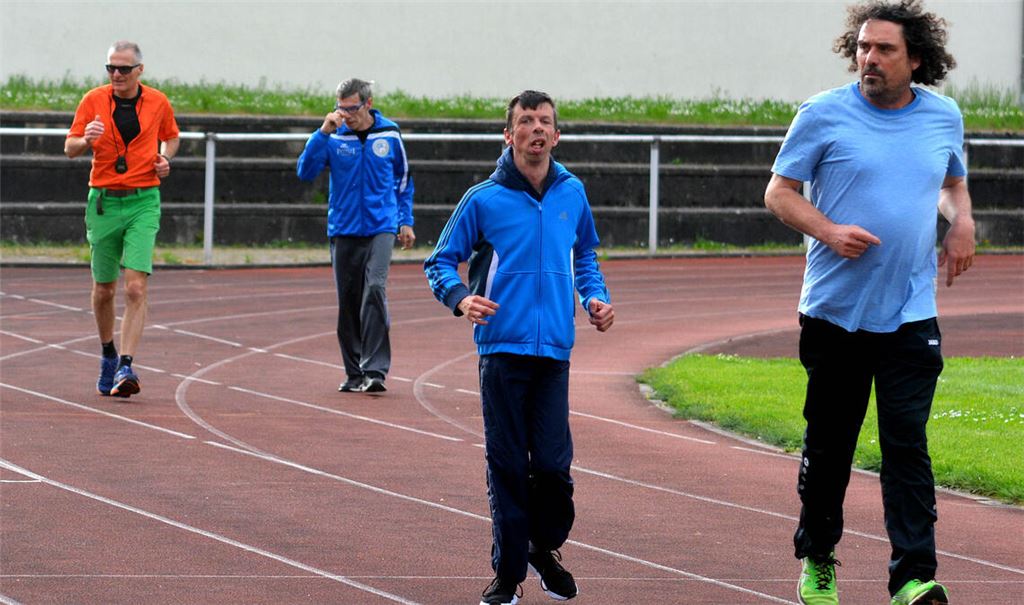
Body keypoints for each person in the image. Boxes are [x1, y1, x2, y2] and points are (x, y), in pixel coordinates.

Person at [764, 2, 975, 604]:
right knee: (830, 445)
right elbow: (779, 193)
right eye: (862, 47)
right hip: (835, 314)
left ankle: (912, 575)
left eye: (884, 50)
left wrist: (962, 222)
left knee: (907, 442)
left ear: (916, 59)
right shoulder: (823, 114)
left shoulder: (942, 117)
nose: (869, 59)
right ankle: (819, 559)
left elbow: (951, 182)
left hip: (910, 314)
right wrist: (828, 231)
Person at [425, 90, 614, 605]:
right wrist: (462, 300)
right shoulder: (483, 198)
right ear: (508, 136)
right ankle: (507, 577)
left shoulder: (572, 193)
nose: (536, 129)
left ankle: (542, 545)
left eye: (544, 122)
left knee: (553, 467)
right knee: (508, 464)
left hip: (554, 351)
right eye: (525, 121)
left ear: (556, 135)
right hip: (501, 352)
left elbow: (586, 259)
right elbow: (440, 262)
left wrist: (595, 298)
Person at [65, 40, 180, 399]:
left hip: (143, 200)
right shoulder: (92, 100)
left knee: (135, 287)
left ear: (139, 71)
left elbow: (172, 138)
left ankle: (127, 364)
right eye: (111, 68)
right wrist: (86, 139)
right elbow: (69, 148)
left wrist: (164, 159)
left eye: (123, 69)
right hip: (103, 202)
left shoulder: (158, 101)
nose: (116, 74)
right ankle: (107, 354)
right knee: (104, 290)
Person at [297, 78, 415, 394]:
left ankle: (375, 370)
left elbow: (403, 180)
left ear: (368, 103)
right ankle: (353, 372)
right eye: (340, 108)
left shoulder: (389, 133)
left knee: (374, 289)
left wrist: (405, 220)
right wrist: (322, 133)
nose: (345, 114)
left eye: (351, 108)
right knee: (348, 302)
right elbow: (305, 172)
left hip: (381, 226)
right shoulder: (333, 135)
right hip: (344, 229)